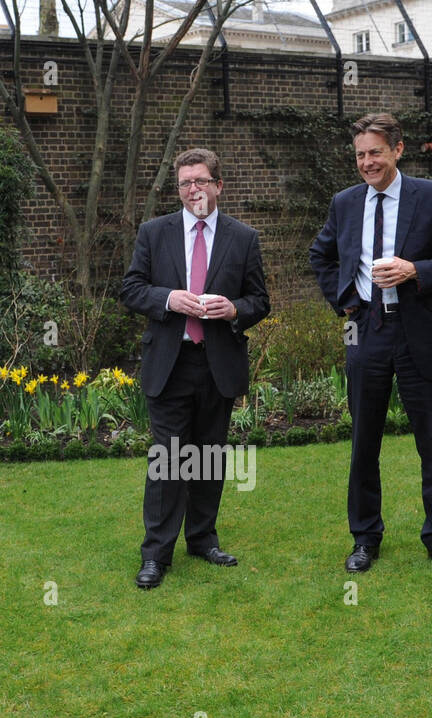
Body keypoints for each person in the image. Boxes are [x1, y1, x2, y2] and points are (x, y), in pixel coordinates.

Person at [308, 112, 432, 577]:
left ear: (397, 150)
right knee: (364, 443)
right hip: (366, 332)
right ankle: (365, 538)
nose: (367, 162)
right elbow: (320, 254)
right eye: (360, 154)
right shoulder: (344, 203)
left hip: (419, 330)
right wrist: (344, 302)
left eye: (375, 153)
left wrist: (416, 271)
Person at [120, 148, 270, 589]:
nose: (192, 190)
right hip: (170, 362)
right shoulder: (154, 232)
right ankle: (156, 555)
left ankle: (202, 540)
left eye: (200, 181)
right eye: (185, 183)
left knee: (208, 458)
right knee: (168, 461)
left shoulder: (243, 238)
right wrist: (168, 299)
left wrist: (233, 309)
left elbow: (260, 301)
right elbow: (131, 288)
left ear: (218, 186)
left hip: (217, 364)